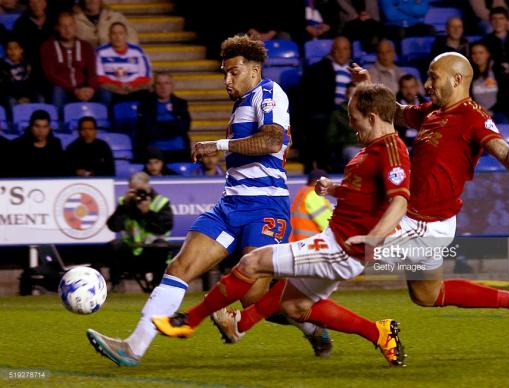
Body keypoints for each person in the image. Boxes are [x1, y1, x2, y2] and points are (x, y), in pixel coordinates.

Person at [86, 34, 329, 366]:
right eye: (224, 73)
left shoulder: (270, 93)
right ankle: (132, 347)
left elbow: (272, 141)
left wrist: (220, 146)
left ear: (255, 70)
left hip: (265, 209)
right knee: (180, 267)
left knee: (255, 297)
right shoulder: (240, 104)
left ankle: (312, 325)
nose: (227, 79)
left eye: (234, 72)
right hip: (229, 207)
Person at [151, 82, 409, 367]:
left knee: (252, 264)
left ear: (372, 118)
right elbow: (366, 192)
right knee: (295, 305)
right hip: (337, 240)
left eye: (354, 118)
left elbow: (399, 201)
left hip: (342, 247)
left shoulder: (390, 150)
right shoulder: (372, 149)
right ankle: (380, 333)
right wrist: (334, 188)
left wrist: (374, 238)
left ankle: (190, 320)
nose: (351, 124)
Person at [344, 53, 509, 337]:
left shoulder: (474, 116)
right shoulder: (433, 112)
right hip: (425, 221)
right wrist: (369, 86)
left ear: (457, 79)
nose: (427, 83)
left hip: (422, 224)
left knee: (347, 250)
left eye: (433, 76)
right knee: (427, 295)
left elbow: (505, 154)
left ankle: (299, 307)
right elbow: (398, 112)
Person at [106, 172, 173, 292]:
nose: (138, 194)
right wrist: (124, 206)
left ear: (148, 186)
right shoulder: (125, 202)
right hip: (131, 251)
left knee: (161, 246)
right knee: (114, 246)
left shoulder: (161, 202)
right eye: (133, 190)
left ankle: (158, 288)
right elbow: (114, 227)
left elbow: (164, 227)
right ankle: (116, 286)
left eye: (140, 190)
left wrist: (148, 213)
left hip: (151, 252)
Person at [298, 36, 352, 172]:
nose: (341, 53)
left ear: (350, 51)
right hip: (326, 113)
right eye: (337, 49)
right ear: (331, 51)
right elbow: (307, 99)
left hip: (350, 114)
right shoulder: (316, 70)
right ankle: (321, 166)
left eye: (345, 49)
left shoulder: (357, 71)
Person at [40, 12, 99, 111]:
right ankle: (58, 123)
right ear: (57, 28)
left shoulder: (86, 46)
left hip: (84, 88)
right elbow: (51, 75)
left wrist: (91, 88)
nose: (67, 29)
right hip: (63, 88)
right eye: (63, 26)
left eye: (70, 25)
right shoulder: (47, 47)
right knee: (57, 91)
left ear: (75, 27)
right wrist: (74, 90)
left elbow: (92, 72)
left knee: (104, 93)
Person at [134, 72, 191, 163]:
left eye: (166, 83)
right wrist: (173, 126)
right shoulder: (145, 104)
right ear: (154, 86)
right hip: (153, 151)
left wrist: (159, 126)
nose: (163, 87)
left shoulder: (180, 103)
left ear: (172, 86)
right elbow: (148, 129)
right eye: (159, 83)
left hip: (179, 150)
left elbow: (184, 126)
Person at [96, 22, 152, 105]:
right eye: (114, 33)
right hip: (111, 90)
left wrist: (131, 86)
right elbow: (99, 77)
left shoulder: (137, 51)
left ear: (126, 35)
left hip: (134, 89)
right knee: (104, 95)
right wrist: (118, 86)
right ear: (109, 36)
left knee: (148, 95)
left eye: (120, 33)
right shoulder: (100, 51)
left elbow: (145, 77)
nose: (117, 37)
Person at [11, 109, 66, 177]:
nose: (41, 131)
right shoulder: (17, 145)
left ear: (49, 128)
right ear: (31, 127)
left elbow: (61, 170)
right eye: (37, 126)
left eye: (45, 127)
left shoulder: (55, 144)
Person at [470, 41, 509, 122]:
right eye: (474, 53)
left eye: (481, 53)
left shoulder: (498, 71)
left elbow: (504, 96)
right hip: (476, 112)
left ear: (488, 54)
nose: (477, 56)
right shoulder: (468, 74)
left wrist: (491, 111)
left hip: (497, 112)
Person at [289, 169, 334, 242]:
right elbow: (326, 223)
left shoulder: (303, 193)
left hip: (300, 243)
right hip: (311, 244)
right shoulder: (313, 194)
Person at [0, 38, 43, 110]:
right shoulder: (1, 66)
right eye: (9, 49)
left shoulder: (29, 64)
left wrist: (28, 97)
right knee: (11, 101)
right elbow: (3, 88)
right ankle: (13, 120)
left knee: (40, 98)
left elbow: (34, 83)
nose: (12, 52)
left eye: (15, 48)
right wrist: (18, 99)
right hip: (11, 96)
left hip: (28, 95)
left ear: (21, 50)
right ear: (6, 51)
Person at [73, 0, 138, 48]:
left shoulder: (115, 17)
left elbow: (132, 39)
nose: (92, 0)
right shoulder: (73, 20)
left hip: (113, 62)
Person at [481, 7, 509, 75]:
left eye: (501, 18)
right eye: (494, 19)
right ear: (490, 22)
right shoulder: (485, 42)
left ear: (507, 21)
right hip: (493, 78)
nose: (498, 22)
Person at [326, 82, 360, 170]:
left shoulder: (368, 112)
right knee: (356, 157)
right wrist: (347, 140)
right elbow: (331, 138)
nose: (354, 98)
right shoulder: (337, 114)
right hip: (349, 146)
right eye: (351, 94)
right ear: (346, 95)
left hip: (367, 146)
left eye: (356, 95)